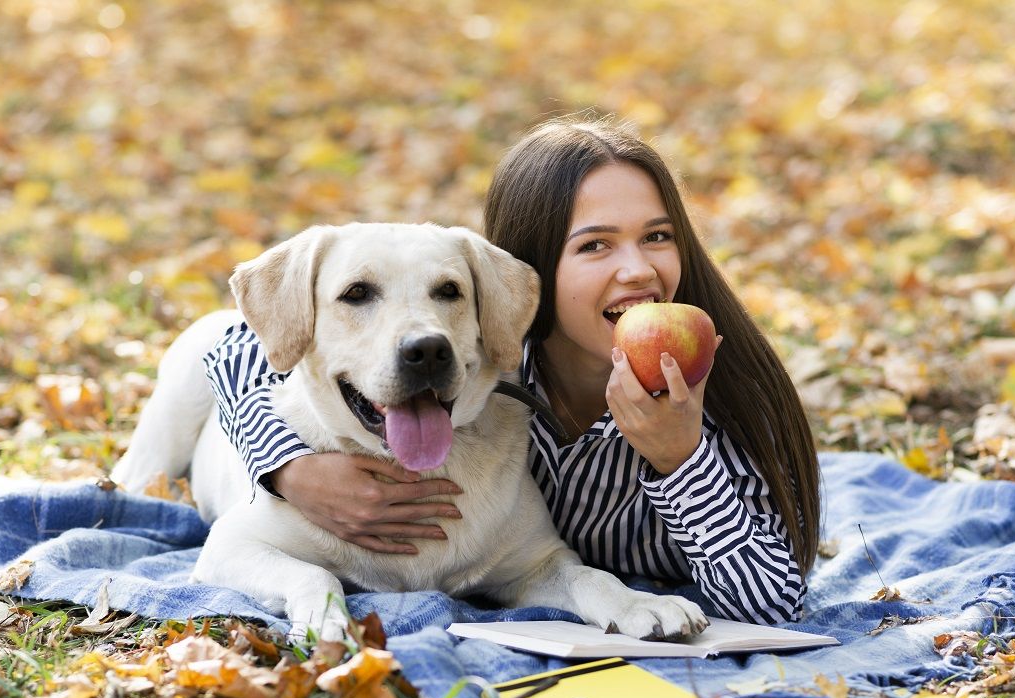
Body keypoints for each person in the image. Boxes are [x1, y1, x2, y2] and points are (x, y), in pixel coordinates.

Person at [202, 117, 820, 625]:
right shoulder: (511, 360)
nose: (636, 270)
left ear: (489, 300)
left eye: (657, 236)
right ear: (538, 267)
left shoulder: (709, 389)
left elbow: (773, 603)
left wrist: (682, 459)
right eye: (595, 245)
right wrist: (288, 467)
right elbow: (230, 344)